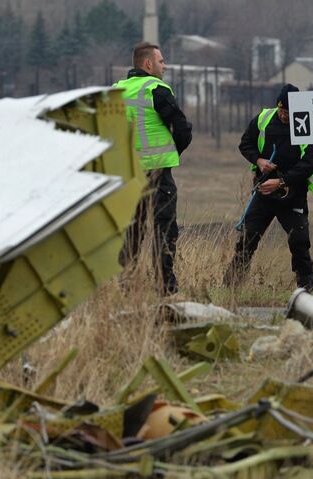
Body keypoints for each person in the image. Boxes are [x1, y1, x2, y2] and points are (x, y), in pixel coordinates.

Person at [224, 84, 313, 292]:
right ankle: (230, 288)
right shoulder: (263, 118)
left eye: (289, 112)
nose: (285, 116)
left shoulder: (306, 122)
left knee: (299, 242)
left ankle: (306, 289)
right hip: (263, 192)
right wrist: (259, 160)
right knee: (247, 240)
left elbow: (311, 161)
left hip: (292, 194)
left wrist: (281, 182)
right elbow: (245, 144)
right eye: (282, 111)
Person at [115, 42, 192, 295]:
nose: (165, 65)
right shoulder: (156, 89)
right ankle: (165, 286)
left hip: (129, 175)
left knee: (132, 229)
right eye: (161, 61)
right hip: (158, 173)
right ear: (148, 64)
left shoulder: (116, 91)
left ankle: (126, 285)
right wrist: (174, 151)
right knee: (165, 228)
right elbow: (182, 129)